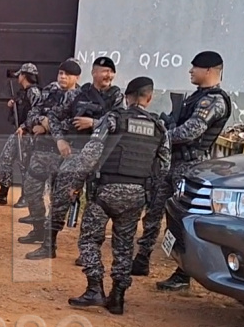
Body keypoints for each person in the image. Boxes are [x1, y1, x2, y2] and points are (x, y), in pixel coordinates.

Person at [67, 76, 171, 314]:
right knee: (124, 245)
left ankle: (94, 288)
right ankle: (117, 297)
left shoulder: (113, 119)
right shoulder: (159, 127)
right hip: (136, 195)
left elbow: (90, 155)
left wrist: (76, 184)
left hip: (105, 191)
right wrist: (148, 193)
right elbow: (164, 166)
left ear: (127, 96)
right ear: (149, 98)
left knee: (89, 240)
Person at [131, 51, 233, 289]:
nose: (190, 71)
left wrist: (160, 136)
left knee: (182, 219)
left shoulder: (214, 101)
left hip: (190, 167)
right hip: (172, 163)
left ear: (209, 70)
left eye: (194, 67)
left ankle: (183, 273)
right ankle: (142, 258)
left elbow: (191, 132)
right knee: (153, 211)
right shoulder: (196, 97)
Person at [25, 56, 123, 260]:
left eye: (111, 72)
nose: (108, 75)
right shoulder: (78, 95)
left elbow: (118, 122)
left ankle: (88, 253)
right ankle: (48, 245)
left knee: (95, 207)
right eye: (104, 71)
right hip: (76, 154)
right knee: (60, 198)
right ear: (94, 73)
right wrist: (60, 140)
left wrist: (93, 123)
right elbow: (53, 116)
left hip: (102, 158)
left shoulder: (116, 97)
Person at [17, 59, 81, 246]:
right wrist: (39, 121)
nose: (63, 77)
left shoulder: (80, 98)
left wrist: (48, 127)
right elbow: (32, 114)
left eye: (67, 75)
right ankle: (38, 229)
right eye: (61, 73)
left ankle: (49, 238)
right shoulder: (49, 91)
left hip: (63, 155)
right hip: (41, 151)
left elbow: (75, 124)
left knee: (57, 199)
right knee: (31, 190)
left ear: (76, 78)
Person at [0, 63, 43, 205]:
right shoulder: (22, 92)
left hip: (28, 134)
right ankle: (3, 193)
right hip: (18, 132)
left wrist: (25, 127)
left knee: (24, 165)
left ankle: (26, 196)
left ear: (24, 76)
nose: (18, 78)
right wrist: (13, 105)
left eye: (20, 75)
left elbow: (37, 113)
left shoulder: (34, 92)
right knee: (6, 158)